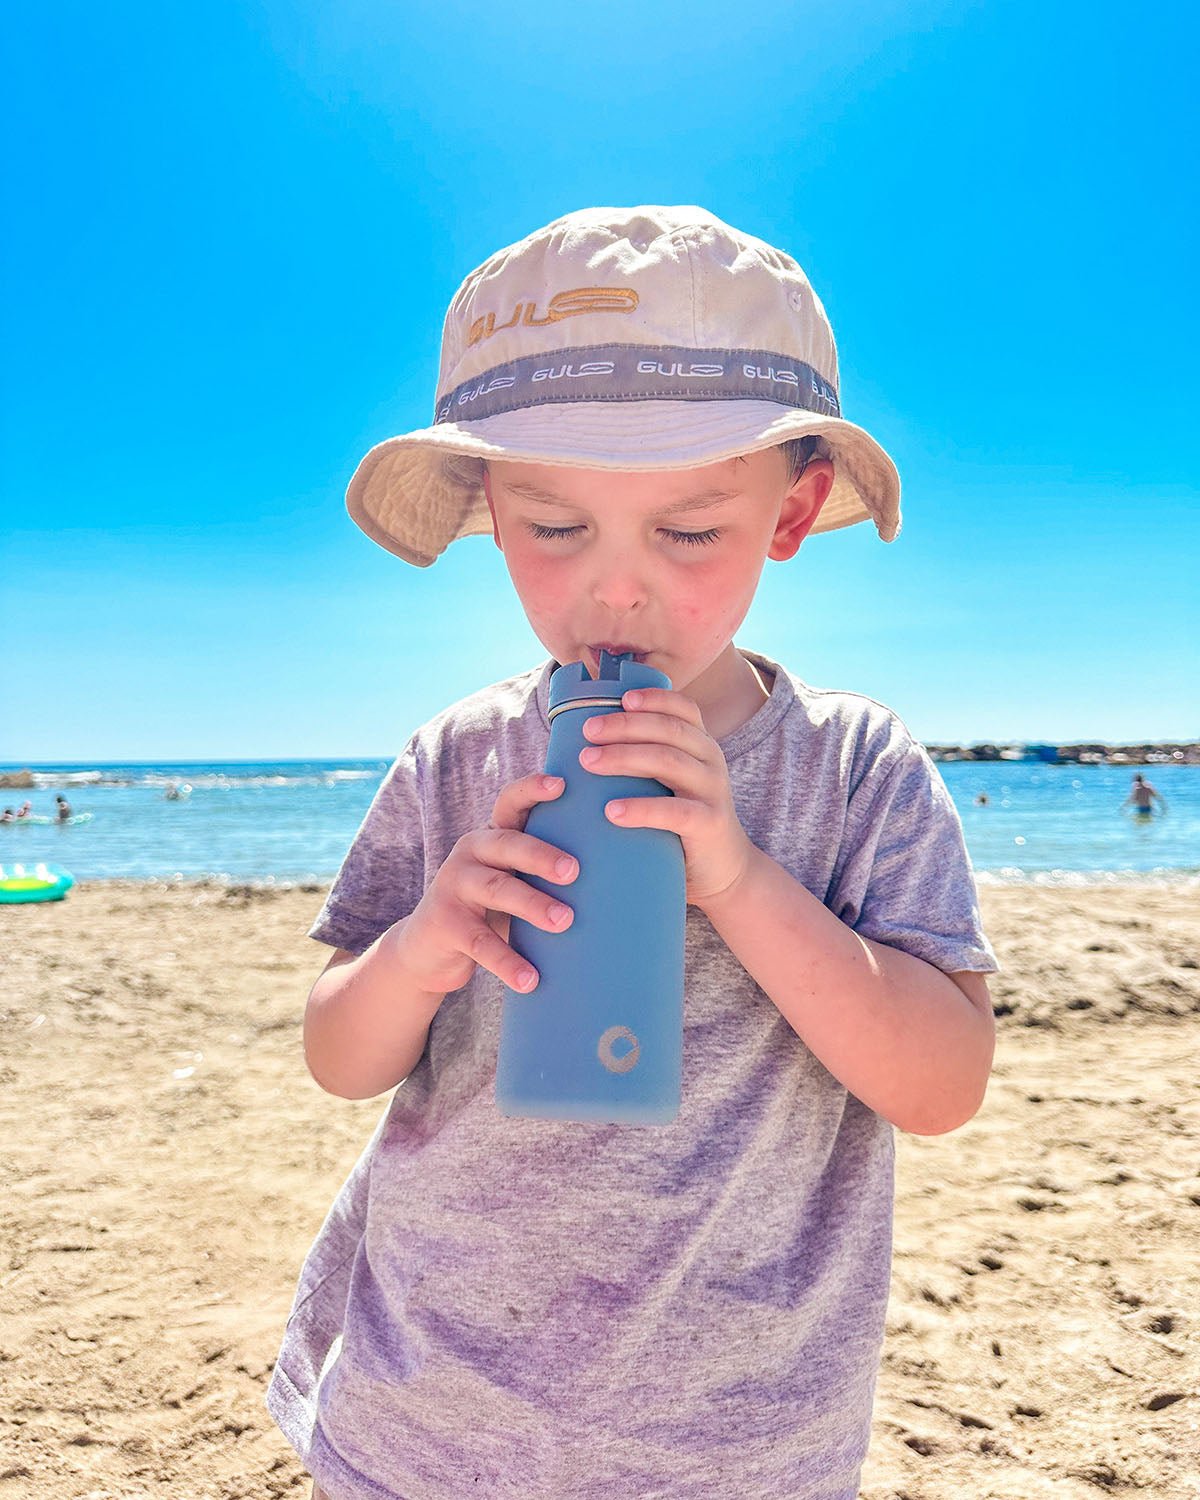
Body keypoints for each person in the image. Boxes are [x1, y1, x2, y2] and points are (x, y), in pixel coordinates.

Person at [266, 206, 1000, 1500]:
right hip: (429, 1419)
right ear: (491, 511)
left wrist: (739, 875)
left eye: (688, 531)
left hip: (731, 1446)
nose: (616, 591)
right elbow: (339, 1057)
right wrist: (429, 940)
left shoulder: (853, 770)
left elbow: (938, 1083)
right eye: (556, 530)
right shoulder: (456, 759)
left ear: (791, 512)